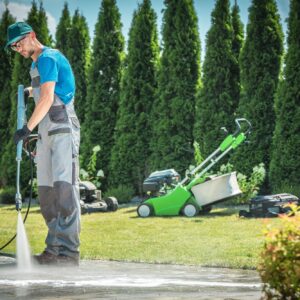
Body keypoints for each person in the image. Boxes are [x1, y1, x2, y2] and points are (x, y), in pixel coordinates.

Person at [5, 22, 81, 265]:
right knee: (47, 192)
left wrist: (27, 129)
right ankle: (54, 250)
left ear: (32, 36)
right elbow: (43, 90)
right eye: (13, 46)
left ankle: (68, 254)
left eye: (19, 42)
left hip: (62, 128)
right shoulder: (37, 65)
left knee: (64, 189)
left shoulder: (48, 58)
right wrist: (28, 91)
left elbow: (48, 97)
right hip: (47, 133)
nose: (17, 48)